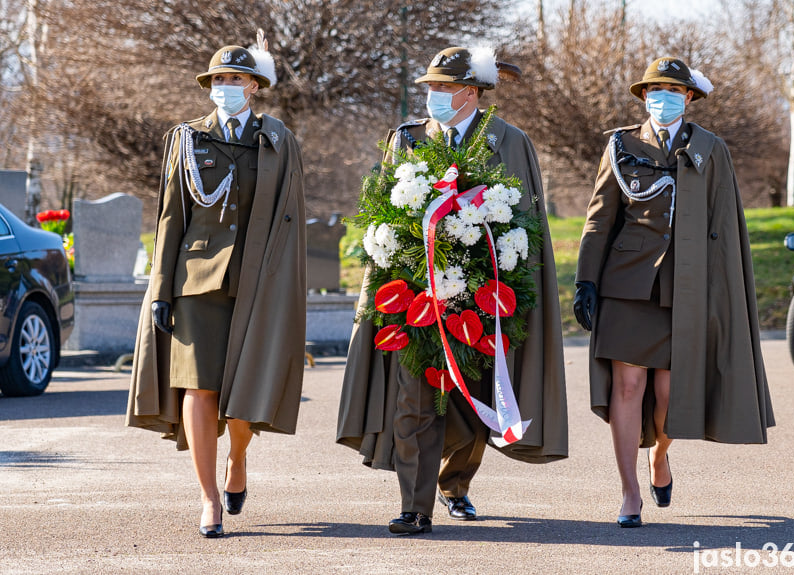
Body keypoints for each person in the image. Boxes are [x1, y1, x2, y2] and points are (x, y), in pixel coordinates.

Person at [337, 46, 568, 535]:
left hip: (485, 293)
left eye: (443, 87)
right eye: (429, 87)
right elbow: (382, 207)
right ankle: (414, 505)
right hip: (414, 292)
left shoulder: (509, 140)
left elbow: (525, 220)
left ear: (471, 92)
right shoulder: (407, 139)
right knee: (413, 398)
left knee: (473, 394)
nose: (432, 96)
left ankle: (455, 483)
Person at [573, 56, 775, 528]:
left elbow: (725, 224)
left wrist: (723, 292)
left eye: (672, 91)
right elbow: (600, 217)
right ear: (644, 97)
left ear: (689, 97)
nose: (661, 99)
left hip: (683, 289)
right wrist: (586, 279)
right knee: (628, 385)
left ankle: (660, 456)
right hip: (626, 283)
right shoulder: (621, 146)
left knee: (669, 396)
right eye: (653, 91)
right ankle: (628, 495)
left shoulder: (710, 148)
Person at [126, 38, 307, 538]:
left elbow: (292, 222)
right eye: (218, 80)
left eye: (235, 80)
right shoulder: (185, 139)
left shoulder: (277, 140)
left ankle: (239, 459)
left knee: (243, 395)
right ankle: (209, 499)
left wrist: (287, 293)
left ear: (254, 87)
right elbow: (170, 218)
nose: (225, 87)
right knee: (201, 389)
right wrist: (161, 289)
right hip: (197, 281)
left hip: (255, 284)